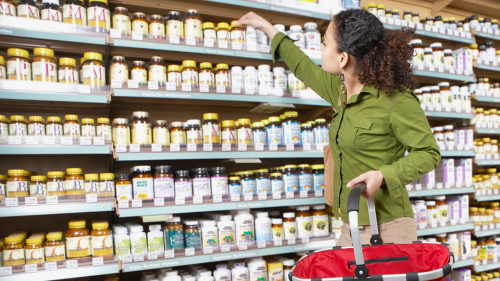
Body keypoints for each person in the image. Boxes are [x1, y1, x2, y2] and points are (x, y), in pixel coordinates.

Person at [236, 9, 440, 246]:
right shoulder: (340, 90)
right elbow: (303, 67)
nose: (320, 50)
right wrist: (268, 29)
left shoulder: (395, 100)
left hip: (387, 229)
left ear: (342, 58)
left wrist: (383, 175)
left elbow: (428, 153)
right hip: (349, 225)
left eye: (324, 44)